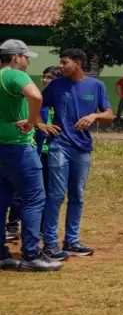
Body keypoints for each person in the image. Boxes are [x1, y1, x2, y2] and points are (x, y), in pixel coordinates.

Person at [38, 48, 113, 261]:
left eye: (64, 62)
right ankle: (50, 243)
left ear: (78, 63)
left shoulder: (95, 86)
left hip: (82, 148)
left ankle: (71, 241)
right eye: (60, 62)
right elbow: (35, 103)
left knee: (77, 195)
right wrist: (39, 124)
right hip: (59, 145)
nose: (61, 66)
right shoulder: (56, 86)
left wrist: (94, 116)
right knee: (55, 194)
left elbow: (109, 114)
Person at [0, 40, 62, 272]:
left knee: (2, 200)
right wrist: (31, 122)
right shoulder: (15, 76)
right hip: (17, 145)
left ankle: (1, 254)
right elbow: (36, 97)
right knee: (34, 198)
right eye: (26, 57)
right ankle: (31, 255)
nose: (28, 62)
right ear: (16, 57)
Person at [5, 65, 58, 243]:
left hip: (49, 152)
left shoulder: (55, 101)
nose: (44, 80)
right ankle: (14, 228)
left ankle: (41, 229)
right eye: (44, 76)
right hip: (31, 150)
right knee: (24, 194)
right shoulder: (33, 99)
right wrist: (34, 124)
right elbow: (29, 119)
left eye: (49, 77)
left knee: (44, 192)